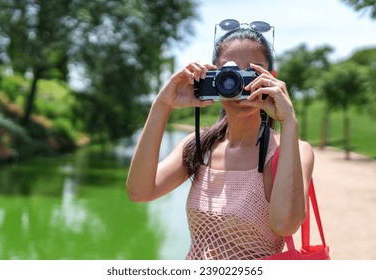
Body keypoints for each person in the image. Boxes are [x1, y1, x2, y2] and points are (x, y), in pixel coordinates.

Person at [126, 20, 314, 260]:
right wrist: (162, 106)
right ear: (213, 76)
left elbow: (285, 225)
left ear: (272, 78)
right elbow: (140, 192)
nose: (239, 82)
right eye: (230, 72)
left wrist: (289, 122)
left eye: (252, 71)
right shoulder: (199, 146)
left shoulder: (295, 150)